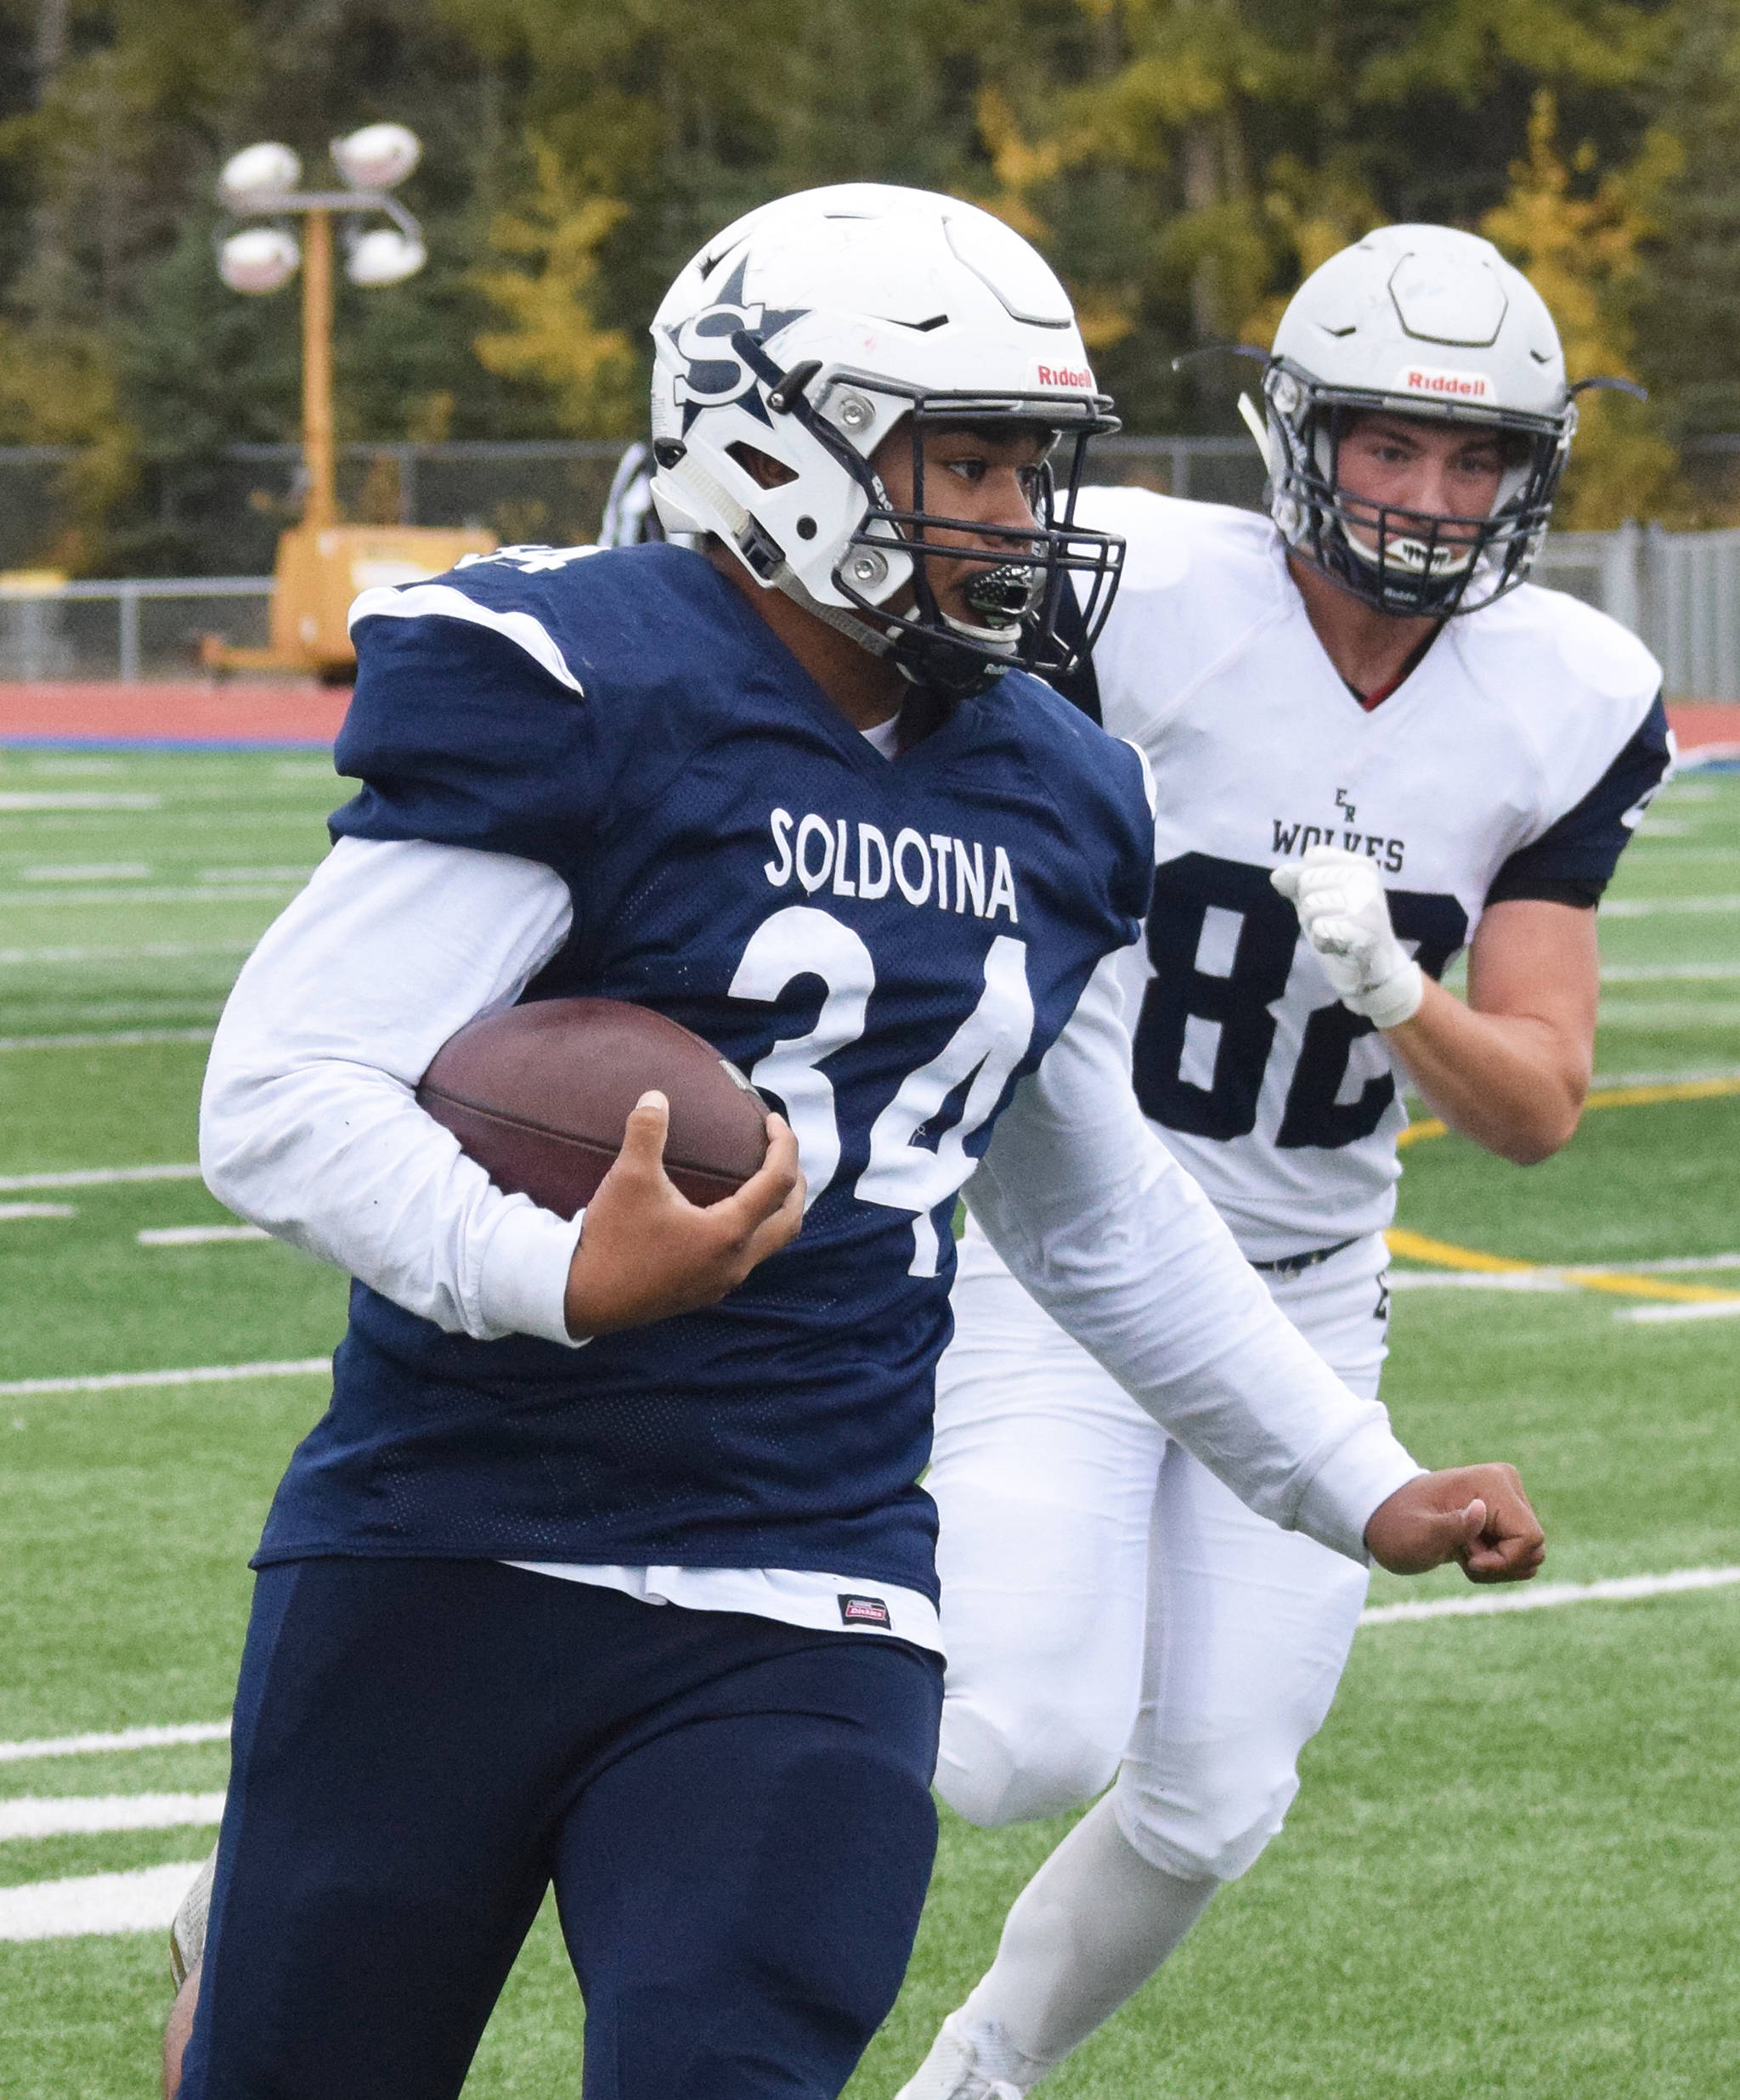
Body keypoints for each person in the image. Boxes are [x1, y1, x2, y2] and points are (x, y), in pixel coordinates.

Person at [165, 192, 1543, 2100]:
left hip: (812, 1576)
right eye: (957, 457)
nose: (1004, 512)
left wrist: (1346, 1477)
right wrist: (548, 1269)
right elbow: (281, 1091)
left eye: (1026, 464)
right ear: (760, 434)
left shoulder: (1059, 785)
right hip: (454, 1543)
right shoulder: (584, 679)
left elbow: (1100, 1218)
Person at [898, 223, 1669, 2100]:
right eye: (1388, 444)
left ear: (1529, 475)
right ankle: (568, 1725)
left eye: (1473, 456)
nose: (1425, 495)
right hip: (1064, 1243)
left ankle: (974, 2083)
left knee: (1218, 1794)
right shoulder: (1135, 584)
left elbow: (1533, 1105)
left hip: (1312, 1289)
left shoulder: (1567, 690)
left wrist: (1398, 983)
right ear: (1297, 435)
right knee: (1009, 1739)